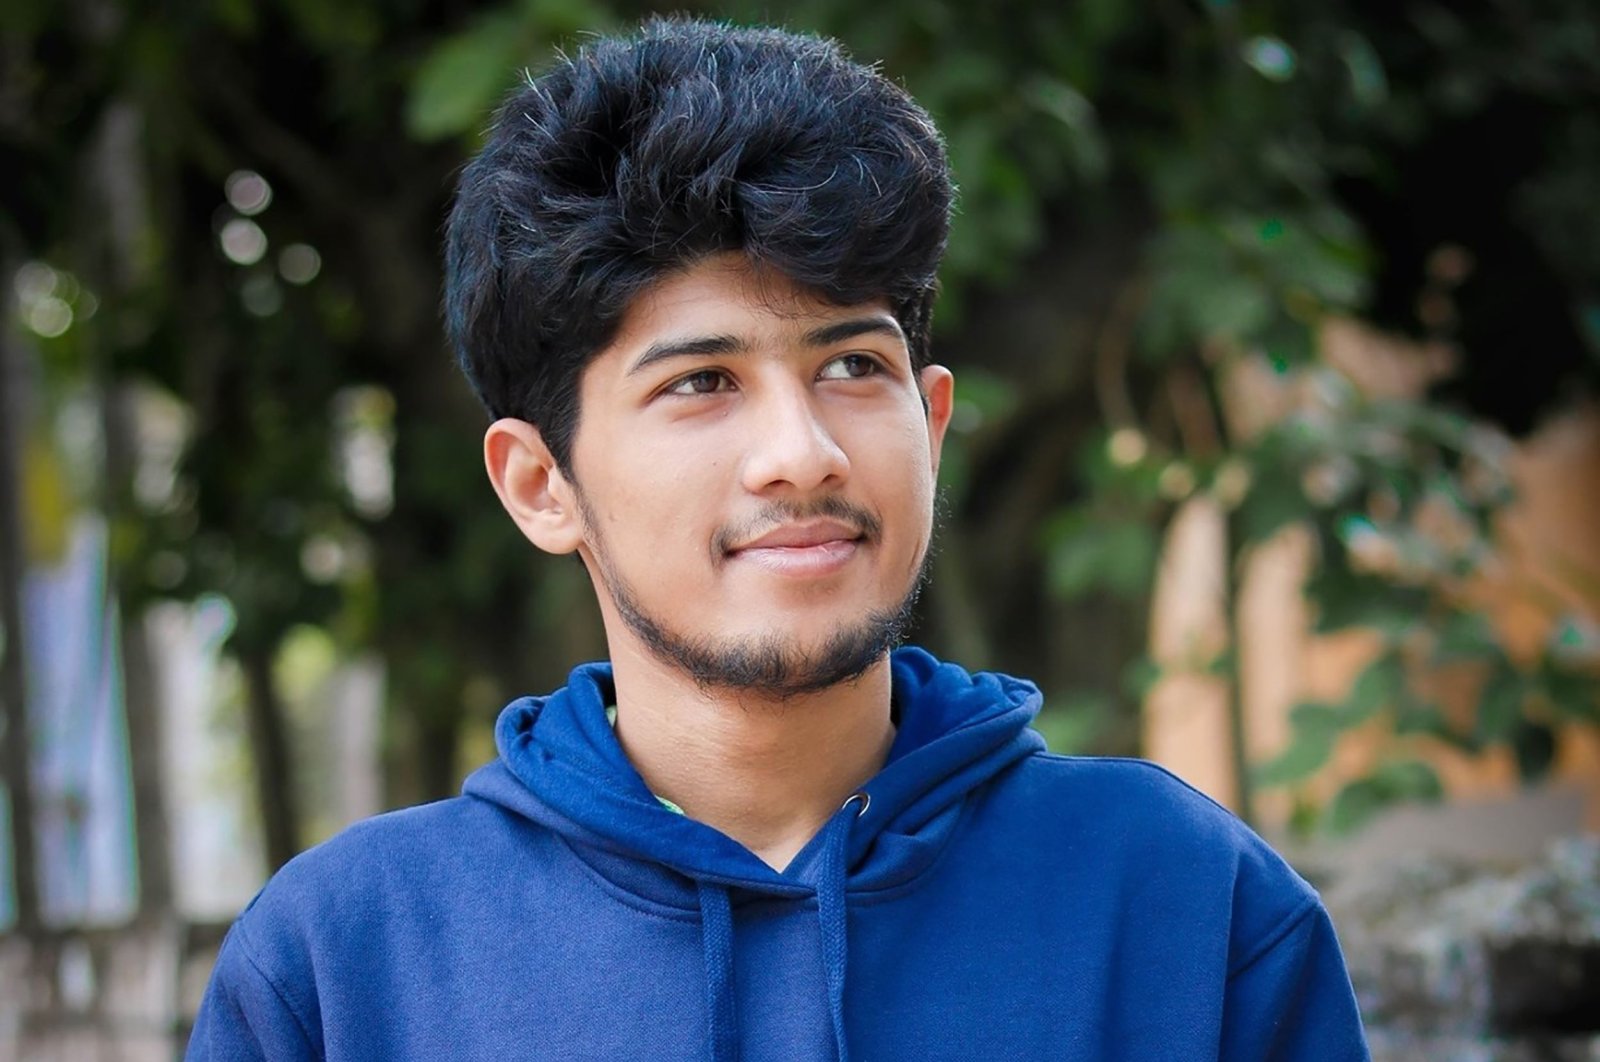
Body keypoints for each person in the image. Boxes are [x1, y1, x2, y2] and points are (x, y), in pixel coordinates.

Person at [189, 18, 1369, 1061]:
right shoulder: (346, 969)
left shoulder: (1183, 905)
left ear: (933, 421)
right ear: (540, 483)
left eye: (853, 366)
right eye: (701, 383)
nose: (801, 452)